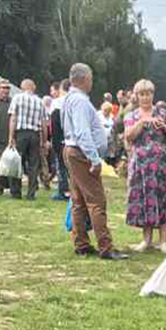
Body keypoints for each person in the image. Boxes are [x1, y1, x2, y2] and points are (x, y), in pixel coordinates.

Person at [62, 61, 125, 260]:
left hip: (72, 150)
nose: (92, 82)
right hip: (81, 154)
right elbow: (82, 132)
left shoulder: (69, 98)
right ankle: (106, 246)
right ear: (85, 79)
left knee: (78, 200)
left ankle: (81, 243)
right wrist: (94, 159)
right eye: (91, 78)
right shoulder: (80, 101)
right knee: (96, 200)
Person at [124, 79, 166, 251]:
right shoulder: (132, 116)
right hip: (141, 166)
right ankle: (146, 240)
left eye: (148, 93)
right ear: (137, 96)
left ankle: (164, 241)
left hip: (161, 165)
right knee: (144, 199)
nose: (145, 97)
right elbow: (128, 136)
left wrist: (163, 127)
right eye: (142, 94)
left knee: (164, 198)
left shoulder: (163, 114)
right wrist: (141, 123)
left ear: (153, 94)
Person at [8, 78, 47, 200]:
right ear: (33, 87)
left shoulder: (17, 98)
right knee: (33, 165)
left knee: (17, 162)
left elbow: (13, 118)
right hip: (35, 134)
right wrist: (44, 141)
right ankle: (31, 193)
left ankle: (16, 192)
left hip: (21, 133)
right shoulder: (40, 101)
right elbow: (44, 123)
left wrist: (11, 137)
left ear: (22, 87)